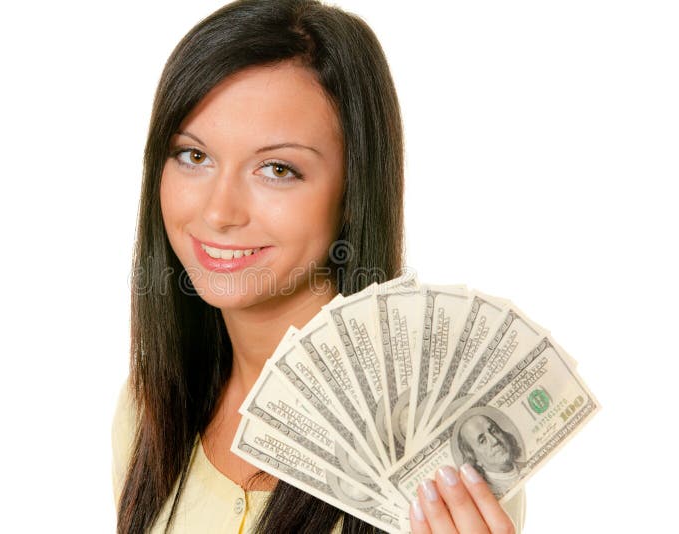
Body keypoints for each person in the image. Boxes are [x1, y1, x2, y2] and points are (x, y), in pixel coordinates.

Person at [111, 0, 526, 532]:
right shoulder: (148, 411)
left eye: (277, 169)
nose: (218, 211)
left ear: (354, 190)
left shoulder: (441, 451)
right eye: (194, 156)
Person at [457, 414, 528, 498]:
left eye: (493, 431)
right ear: (474, 458)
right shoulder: (488, 494)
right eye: (483, 440)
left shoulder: (528, 466)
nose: (494, 440)